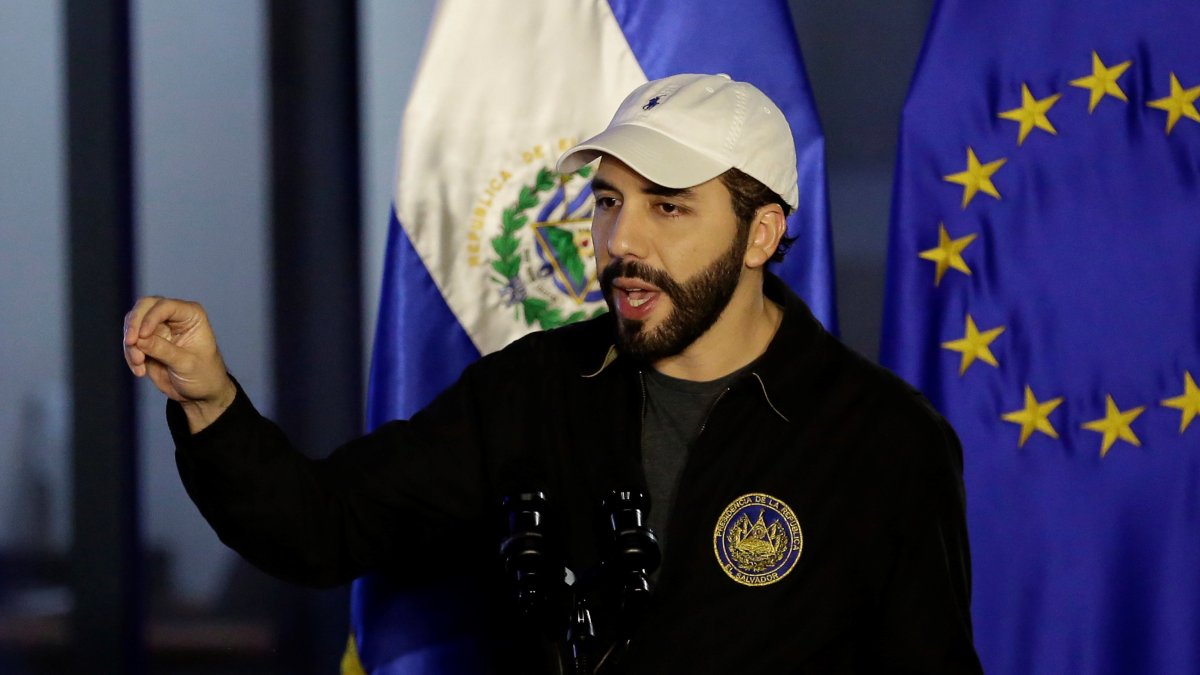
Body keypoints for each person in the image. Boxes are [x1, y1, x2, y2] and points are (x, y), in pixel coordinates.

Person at [124, 73, 982, 673]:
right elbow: (323, 527)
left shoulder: (885, 439)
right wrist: (211, 402)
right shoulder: (536, 388)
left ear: (760, 234)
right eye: (609, 202)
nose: (621, 242)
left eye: (668, 206)